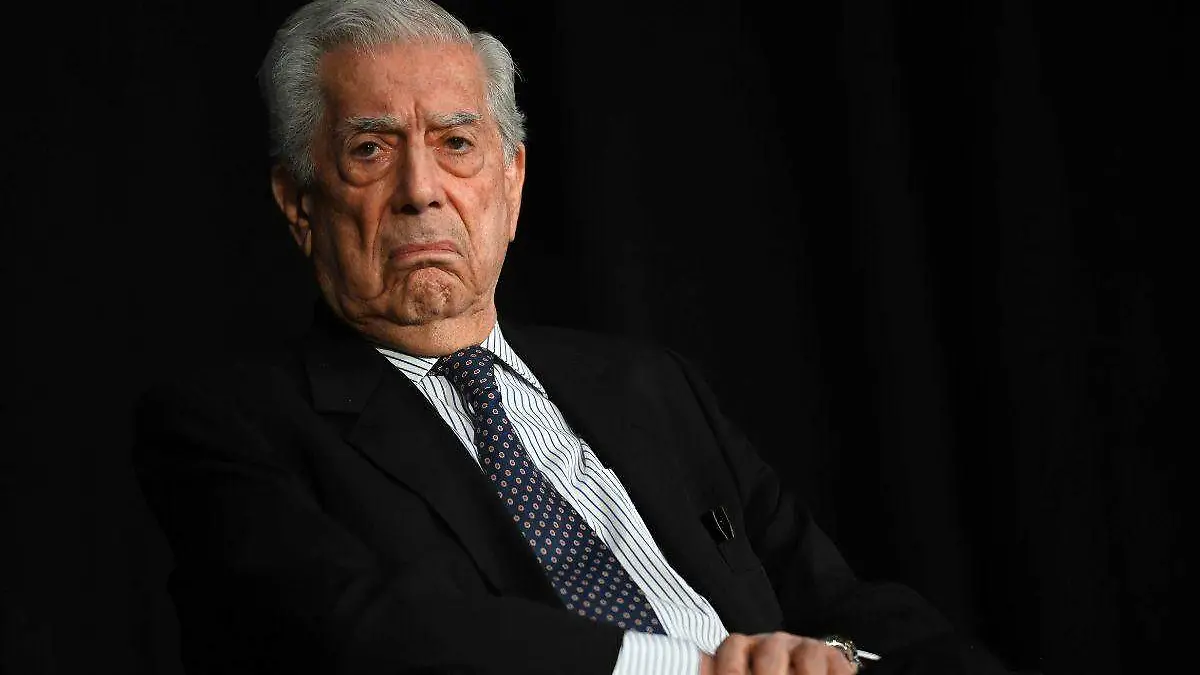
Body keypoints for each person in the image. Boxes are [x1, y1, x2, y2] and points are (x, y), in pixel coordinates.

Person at [132, 1, 1018, 673]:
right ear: (299, 204)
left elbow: (836, 600)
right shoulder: (231, 427)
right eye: (371, 149)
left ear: (511, 183)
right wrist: (696, 669)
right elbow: (365, 630)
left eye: (456, 143)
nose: (421, 189)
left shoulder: (650, 387)